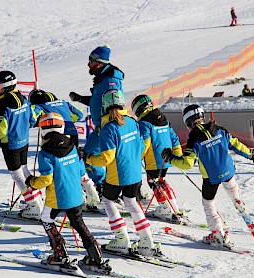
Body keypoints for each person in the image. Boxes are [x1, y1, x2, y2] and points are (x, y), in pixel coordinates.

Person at [161, 104, 254, 248]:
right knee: (231, 187)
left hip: (211, 178)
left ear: (188, 122)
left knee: (209, 204)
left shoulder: (194, 138)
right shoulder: (218, 129)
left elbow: (187, 164)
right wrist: (251, 155)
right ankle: (238, 201)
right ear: (202, 116)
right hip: (228, 171)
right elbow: (235, 144)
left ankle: (218, 235)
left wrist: (170, 158)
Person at [24, 112, 110, 270]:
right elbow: (80, 172)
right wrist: (89, 187)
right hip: (76, 196)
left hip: (57, 198)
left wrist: (31, 182)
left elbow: (46, 180)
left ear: (42, 131)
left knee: (46, 219)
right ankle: (96, 257)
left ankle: (60, 254)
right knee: (79, 224)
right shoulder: (73, 146)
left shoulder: (45, 153)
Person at [85, 89, 161, 257]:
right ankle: (147, 241)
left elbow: (106, 158)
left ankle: (121, 240)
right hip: (135, 173)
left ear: (104, 106)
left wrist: (88, 158)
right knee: (131, 202)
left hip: (118, 175)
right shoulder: (132, 122)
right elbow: (141, 148)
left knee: (108, 201)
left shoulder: (108, 128)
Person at [28, 89, 100, 210]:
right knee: (75, 163)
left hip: (56, 136)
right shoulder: (62, 102)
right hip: (72, 133)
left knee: (60, 168)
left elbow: (32, 119)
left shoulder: (39, 106)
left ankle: (75, 198)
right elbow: (78, 115)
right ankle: (89, 188)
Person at [0, 70, 44, 220]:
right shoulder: (23, 98)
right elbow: (32, 119)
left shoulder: (3, 103)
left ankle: (33, 205)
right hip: (24, 141)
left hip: (10, 144)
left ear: (3, 86)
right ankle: (37, 199)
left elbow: (2, 130)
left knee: (16, 174)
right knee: (24, 170)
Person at [69, 45, 124, 198]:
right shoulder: (102, 78)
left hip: (106, 128)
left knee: (88, 158)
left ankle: (103, 188)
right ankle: (107, 187)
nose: (88, 64)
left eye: (91, 61)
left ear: (99, 63)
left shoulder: (109, 80)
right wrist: (80, 98)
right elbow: (99, 101)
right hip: (102, 127)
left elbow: (115, 103)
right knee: (96, 158)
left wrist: (111, 127)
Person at [131, 94, 186, 223]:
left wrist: (136, 158)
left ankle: (166, 209)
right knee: (161, 181)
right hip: (166, 158)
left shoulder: (144, 123)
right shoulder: (164, 120)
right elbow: (174, 138)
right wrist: (176, 155)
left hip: (153, 160)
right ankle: (174, 208)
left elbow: (145, 143)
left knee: (153, 182)